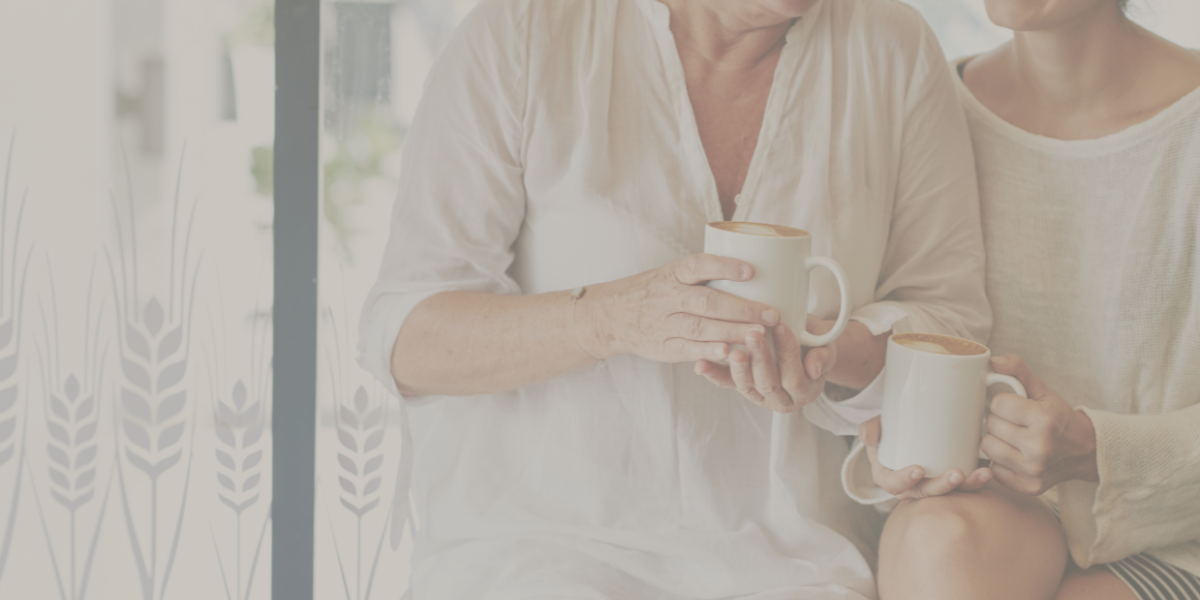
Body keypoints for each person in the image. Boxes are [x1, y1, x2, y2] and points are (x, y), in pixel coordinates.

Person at [358, 0, 991, 597]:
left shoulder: (894, 49)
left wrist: (829, 354)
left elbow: (948, 319)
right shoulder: (526, 31)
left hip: (797, 567)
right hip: (540, 553)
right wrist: (609, 320)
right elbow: (407, 339)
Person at [847, 0, 1200, 598]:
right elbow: (896, 324)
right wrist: (894, 449)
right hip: (988, 515)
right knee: (937, 542)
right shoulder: (930, 109)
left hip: (1176, 531)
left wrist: (1095, 450)